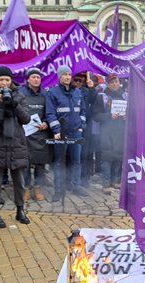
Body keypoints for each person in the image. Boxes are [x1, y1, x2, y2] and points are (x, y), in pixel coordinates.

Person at [0, 66, 31, 228]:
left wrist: (14, 104)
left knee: (19, 181)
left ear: (11, 81)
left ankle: (20, 210)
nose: (4, 83)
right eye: (1, 79)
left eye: (7, 80)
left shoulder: (19, 95)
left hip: (16, 143)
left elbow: (26, 119)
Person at [45, 65, 89, 201]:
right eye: (64, 74)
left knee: (77, 161)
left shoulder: (77, 92)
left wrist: (81, 126)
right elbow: (50, 114)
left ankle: (77, 186)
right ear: (59, 76)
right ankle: (58, 190)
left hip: (76, 132)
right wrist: (57, 130)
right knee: (59, 163)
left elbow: (82, 111)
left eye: (69, 74)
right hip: (61, 134)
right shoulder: (52, 93)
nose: (68, 77)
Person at [19, 67, 52, 202]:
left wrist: (46, 123)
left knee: (40, 163)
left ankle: (38, 187)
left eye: (38, 77)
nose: (36, 79)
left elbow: (50, 112)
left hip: (41, 134)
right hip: (25, 134)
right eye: (33, 77)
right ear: (28, 79)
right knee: (26, 163)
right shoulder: (21, 93)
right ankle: (26, 188)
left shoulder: (45, 95)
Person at [92, 74, 127, 194]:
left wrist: (127, 117)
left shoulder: (125, 96)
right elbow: (95, 115)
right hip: (106, 132)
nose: (114, 84)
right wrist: (109, 116)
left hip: (121, 131)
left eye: (116, 81)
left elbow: (132, 113)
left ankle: (114, 181)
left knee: (118, 156)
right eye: (111, 82)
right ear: (107, 83)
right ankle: (105, 184)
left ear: (119, 82)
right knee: (107, 158)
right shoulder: (101, 97)